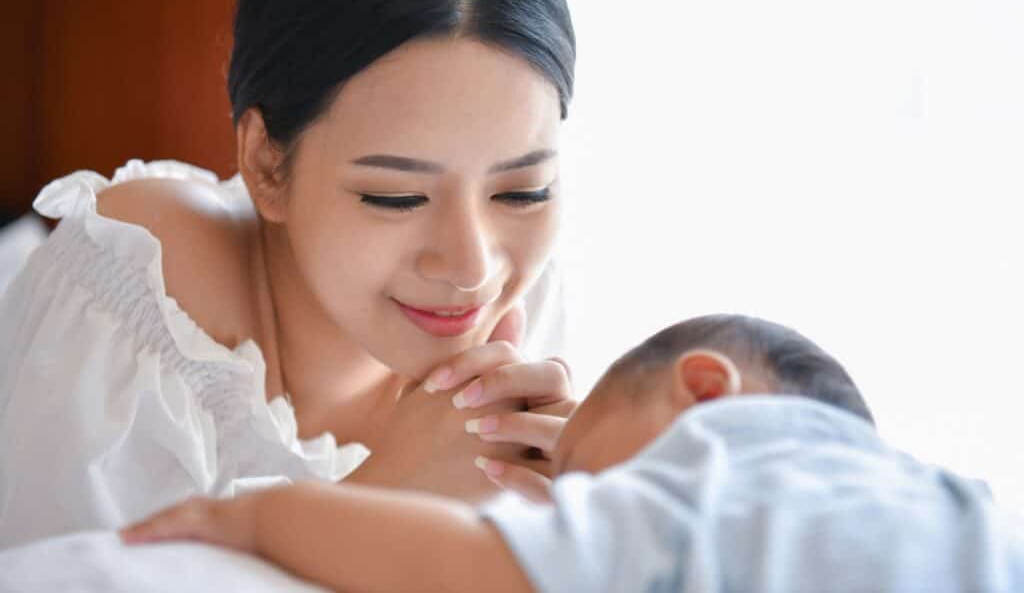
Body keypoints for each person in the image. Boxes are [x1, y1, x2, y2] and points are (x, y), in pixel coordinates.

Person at [0, 0, 577, 549]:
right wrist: (384, 500)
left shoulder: (526, 302)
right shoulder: (136, 293)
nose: (475, 268)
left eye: (522, 190)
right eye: (398, 196)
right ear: (267, 167)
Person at [123, 314, 1024, 593]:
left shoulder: (711, 481)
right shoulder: (938, 498)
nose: (570, 503)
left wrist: (254, 511)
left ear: (705, 392)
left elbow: (460, 567)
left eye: (589, 482)